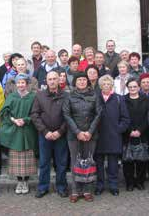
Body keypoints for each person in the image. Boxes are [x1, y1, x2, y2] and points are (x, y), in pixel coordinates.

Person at [62, 72, 101, 203]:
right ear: (75, 82)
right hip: (74, 135)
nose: (82, 82)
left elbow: (98, 114)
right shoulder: (69, 96)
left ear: (88, 81)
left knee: (89, 161)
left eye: (84, 79)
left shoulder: (94, 95)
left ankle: (87, 190)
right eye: (79, 80)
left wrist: (89, 132)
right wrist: (78, 132)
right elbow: (66, 115)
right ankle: (75, 190)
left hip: (91, 134)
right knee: (75, 162)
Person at [31, 71, 69, 198]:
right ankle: (43, 187)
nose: (52, 81)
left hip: (61, 135)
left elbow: (69, 116)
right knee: (44, 163)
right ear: (46, 81)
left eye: (54, 79)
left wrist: (60, 131)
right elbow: (35, 115)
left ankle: (62, 187)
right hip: (44, 135)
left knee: (61, 163)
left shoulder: (66, 96)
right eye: (50, 79)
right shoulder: (39, 96)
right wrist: (45, 131)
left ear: (59, 80)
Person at [0, 74, 38, 195]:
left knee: (27, 157)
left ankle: (25, 182)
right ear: (16, 84)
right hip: (15, 130)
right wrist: (13, 120)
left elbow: (36, 112)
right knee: (16, 157)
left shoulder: (33, 97)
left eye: (23, 83)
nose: (21, 85)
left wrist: (26, 120)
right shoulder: (11, 96)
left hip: (28, 130)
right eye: (19, 83)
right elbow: (5, 112)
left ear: (27, 84)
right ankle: (18, 182)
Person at [95, 75, 130, 196]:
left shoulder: (119, 99)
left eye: (108, 84)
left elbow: (125, 119)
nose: (106, 86)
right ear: (100, 86)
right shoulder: (95, 98)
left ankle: (113, 185)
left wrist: (118, 129)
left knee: (113, 164)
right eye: (104, 84)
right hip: (98, 136)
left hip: (113, 136)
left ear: (112, 86)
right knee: (98, 164)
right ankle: (99, 185)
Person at [123, 78, 149, 191]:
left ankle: (140, 181)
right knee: (128, 160)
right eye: (130, 87)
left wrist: (139, 130)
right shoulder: (123, 100)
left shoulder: (146, 99)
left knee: (141, 160)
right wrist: (130, 131)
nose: (133, 89)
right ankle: (129, 183)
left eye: (135, 87)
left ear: (139, 87)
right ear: (127, 88)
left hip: (142, 133)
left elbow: (148, 116)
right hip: (127, 134)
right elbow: (122, 116)